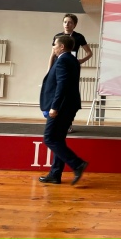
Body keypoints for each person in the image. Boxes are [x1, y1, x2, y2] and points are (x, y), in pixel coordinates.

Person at [39, 35, 88, 185]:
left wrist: (54, 107)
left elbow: (62, 85)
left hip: (62, 107)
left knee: (49, 138)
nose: (53, 47)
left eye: (55, 45)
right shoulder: (72, 60)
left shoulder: (63, 60)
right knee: (58, 139)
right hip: (69, 106)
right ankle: (55, 174)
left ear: (61, 47)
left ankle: (77, 164)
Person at [48, 13, 93, 133]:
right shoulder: (57, 36)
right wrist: (49, 71)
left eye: (70, 22)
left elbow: (89, 53)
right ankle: (54, 118)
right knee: (56, 92)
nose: (67, 24)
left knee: (68, 93)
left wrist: (79, 61)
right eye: (65, 22)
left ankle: (68, 123)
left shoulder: (78, 37)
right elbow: (52, 55)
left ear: (74, 25)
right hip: (58, 66)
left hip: (70, 67)